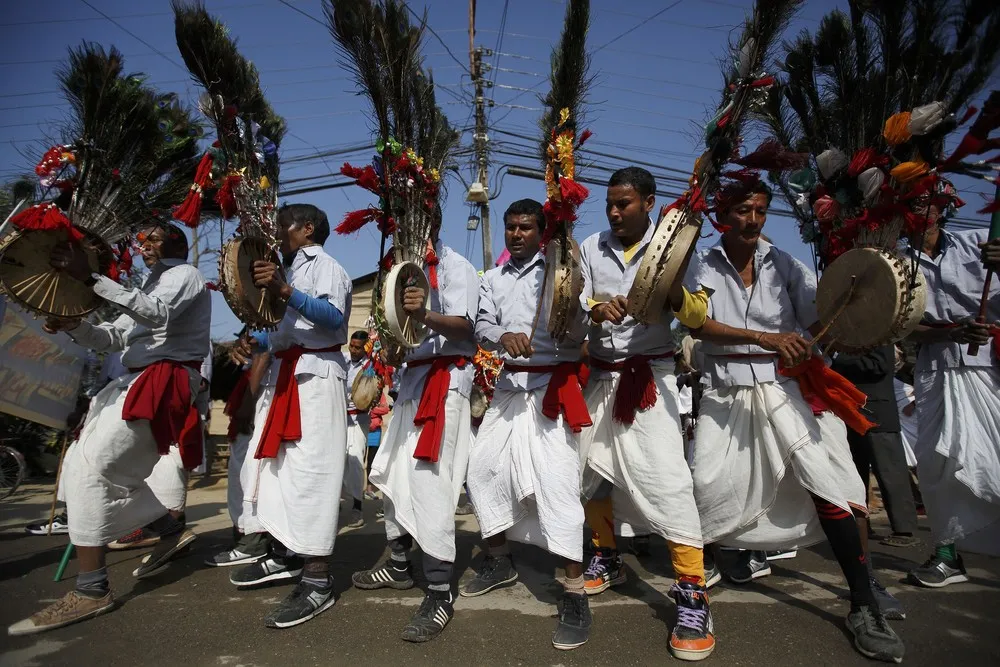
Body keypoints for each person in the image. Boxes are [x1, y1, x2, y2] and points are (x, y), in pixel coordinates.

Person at [684, 180, 905, 663]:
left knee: (831, 488)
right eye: (744, 209)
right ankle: (694, 598)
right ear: (723, 213)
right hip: (726, 398)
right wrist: (765, 338)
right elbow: (696, 325)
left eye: (762, 210)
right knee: (704, 493)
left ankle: (863, 601)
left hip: (787, 392)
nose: (754, 219)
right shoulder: (698, 264)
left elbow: (823, 319)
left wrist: (846, 321)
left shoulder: (786, 264)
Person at [9, 221, 210, 636]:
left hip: (161, 380)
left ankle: (92, 589)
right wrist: (73, 326)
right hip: (132, 383)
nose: (144, 245)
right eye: (142, 239)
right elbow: (112, 340)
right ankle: (167, 526)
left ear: (175, 242)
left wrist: (91, 276)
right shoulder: (149, 285)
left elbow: (158, 313)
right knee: (92, 467)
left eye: (154, 237)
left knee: (92, 471)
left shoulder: (184, 274)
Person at [578, 167, 715, 661]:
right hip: (599, 377)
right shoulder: (591, 247)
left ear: (650, 203)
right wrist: (594, 309)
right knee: (587, 475)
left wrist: (670, 290)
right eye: (610, 204)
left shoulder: (675, 244)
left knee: (668, 482)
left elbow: (699, 315)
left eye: (625, 204)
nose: (614, 213)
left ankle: (693, 593)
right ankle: (606, 556)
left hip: (650, 379)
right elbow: (573, 302)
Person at [462, 198, 593, 650]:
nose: (516, 235)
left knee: (557, 487)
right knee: (479, 473)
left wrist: (575, 299)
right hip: (507, 389)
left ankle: (575, 593)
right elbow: (481, 325)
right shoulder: (491, 279)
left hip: (550, 388)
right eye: (510, 228)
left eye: (525, 228)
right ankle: (500, 560)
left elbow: (581, 328)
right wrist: (502, 336)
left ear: (541, 233)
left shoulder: (562, 272)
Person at [352, 213, 479, 643]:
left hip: (445, 385)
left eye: (416, 220)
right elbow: (394, 336)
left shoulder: (456, 266)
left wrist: (423, 312)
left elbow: (468, 329)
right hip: (409, 386)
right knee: (391, 479)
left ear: (434, 224)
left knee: (431, 484)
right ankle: (401, 565)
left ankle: (441, 592)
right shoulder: (396, 271)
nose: (407, 228)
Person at [229, 203, 353, 628]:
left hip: (316, 380)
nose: (279, 234)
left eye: (284, 226)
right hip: (286, 377)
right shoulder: (288, 271)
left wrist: (286, 293)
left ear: (308, 228)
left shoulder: (327, 267)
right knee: (276, 475)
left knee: (313, 478)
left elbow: (333, 318)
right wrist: (251, 343)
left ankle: (318, 582)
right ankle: (284, 557)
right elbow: (280, 333)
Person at [904, 188, 1000, 587]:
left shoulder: (982, 242)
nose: (919, 211)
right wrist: (951, 331)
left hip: (990, 371)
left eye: (926, 202)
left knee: (993, 463)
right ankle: (947, 555)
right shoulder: (895, 263)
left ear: (942, 208)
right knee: (937, 466)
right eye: (909, 203)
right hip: (934, 373)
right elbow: (900, 325)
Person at [832, 346, 920, 549]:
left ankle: (903, 529)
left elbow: (878, 365)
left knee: (890, 472)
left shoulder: (879, 338)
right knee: (854, 473)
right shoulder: (847, 339)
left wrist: (838, 357)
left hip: (877, 412)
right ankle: (860, 522)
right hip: (849, 412)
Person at [205, 349, 272, 567]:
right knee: (239, 470)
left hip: (258, 394)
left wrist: (248, 401)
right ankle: (244, 536)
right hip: (250, 390)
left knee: (249, 472)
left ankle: (253, 542)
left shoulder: (272, 322)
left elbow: (264, 352)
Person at [343, 330, 371, 529]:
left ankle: (357, 507)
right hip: (338, 419)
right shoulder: (341, 360)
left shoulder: (371, 366)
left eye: (358, 347)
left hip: (359, 419)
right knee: (335, 460)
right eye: (351, 346)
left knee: (355, 459)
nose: (353, 350)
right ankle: (331, 505)